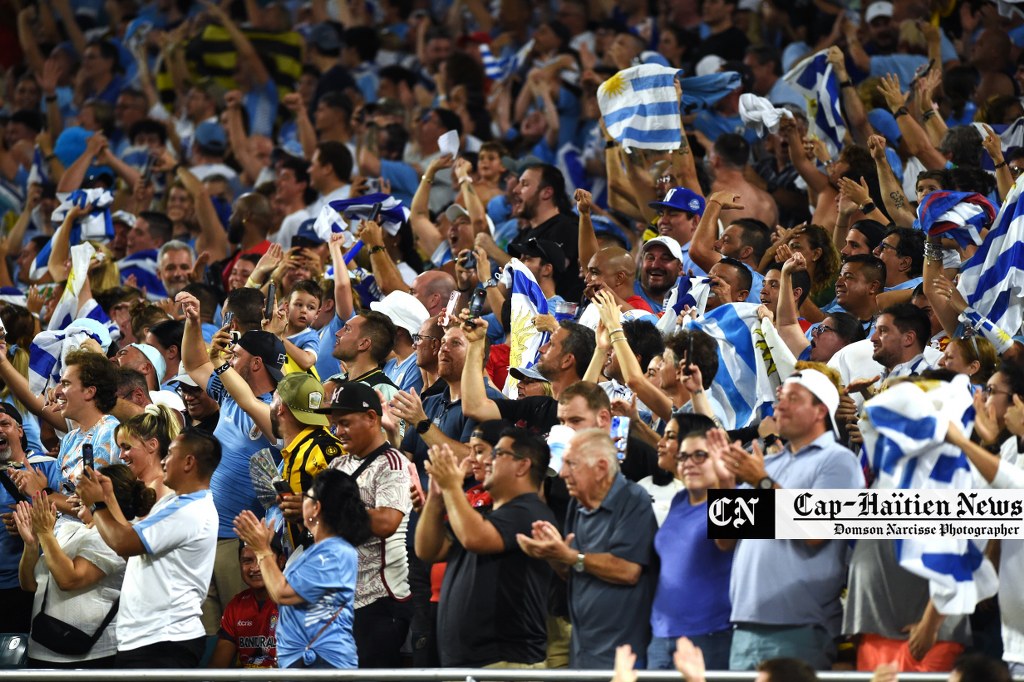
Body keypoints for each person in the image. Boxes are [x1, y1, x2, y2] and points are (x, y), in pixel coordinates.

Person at [718, 369, 865, 670]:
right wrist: (723, 483)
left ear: (820, 410)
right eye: (780, 398)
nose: (779, 406)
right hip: (745, 624)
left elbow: (815, 532)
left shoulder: (838, 461)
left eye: (792, 399)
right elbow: (725, 539)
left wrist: (761, 483)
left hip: (800, 626)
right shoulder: (768, 463)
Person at [76, 430, 221, 668]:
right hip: (148, 639)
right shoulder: (173, 503)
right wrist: (109, 498)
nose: (163, 460)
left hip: (163, 640)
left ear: (188, 462)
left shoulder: (189, 511)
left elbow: (123, 542)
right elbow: (129, 548)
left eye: (170, 454)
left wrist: (95, 503)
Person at [517, 427, 658, 669]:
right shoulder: (578, 505)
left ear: (601, 468)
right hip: (583, 650)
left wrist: (570, 555)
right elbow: (573, 568)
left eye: (571, 464)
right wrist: (553, 554)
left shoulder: (634, 500)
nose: (562, 474)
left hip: (625, 654)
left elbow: (628, 571)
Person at [416, 429, 556, 668]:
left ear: (522, 466)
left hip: (506, 663)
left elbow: (474, 539)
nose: (488, 460)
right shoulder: (485, 515)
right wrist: (437, 497)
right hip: (467, 662)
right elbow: (428, 550)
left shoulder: (531, 512)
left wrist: (451, 487)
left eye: (499, 453)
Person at [15, 465, 155, 668]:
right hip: (42, 648)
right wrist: (31, 544)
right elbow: (30, 585)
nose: (76, 494)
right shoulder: (68, 530)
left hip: (91, 655)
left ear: (106, 495)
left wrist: (45, 533)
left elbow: (69, 579)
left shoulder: (115, 539)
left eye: (86, 489)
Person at [234, 469, 372, 669]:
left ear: (316, 508)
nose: (300, 500)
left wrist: (262, 550)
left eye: (306, 496)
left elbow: (282, 593)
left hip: (323, 662)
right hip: (302, 661)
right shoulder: (316, 550)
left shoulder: (334, 553)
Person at [317, 381, 413, 668]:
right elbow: (318, 523)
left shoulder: (393, 463)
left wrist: (330, 510)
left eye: (345, 423)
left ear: (372, 418)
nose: (338, 431)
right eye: (336, 424)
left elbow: (386, 521)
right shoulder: (337, 466)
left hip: (379, 602)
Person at [648, 417, 735, 671]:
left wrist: (727, 485)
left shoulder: (737, 497)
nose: (689, 463)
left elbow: (726, 541)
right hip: (661, 635)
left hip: (709, 636)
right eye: (684, 457)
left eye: (700, 455)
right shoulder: (679, 500)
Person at [208, 540, 286, 668]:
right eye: (247, 561)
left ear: (281, 560)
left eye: (263, 559)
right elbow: (217, 668)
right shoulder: (236, 605)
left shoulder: (297, 602)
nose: (255, 568)